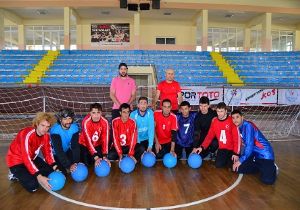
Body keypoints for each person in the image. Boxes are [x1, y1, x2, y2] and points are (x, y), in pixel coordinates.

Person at [6, 112, 57, 192]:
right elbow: (26, 157)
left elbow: (48, 153)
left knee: (50, 172)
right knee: (33, 186)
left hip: (32, 157)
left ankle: (29, 172)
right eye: (42, 125)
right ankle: (14, 173)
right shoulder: (27, 134)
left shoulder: (46, 136)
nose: (45, 129)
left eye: (47, 127)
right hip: (17, 161)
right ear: (37, 124)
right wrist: (38, 176)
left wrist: (55, 167)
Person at [231, 110, 277, 185]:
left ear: (242, 117)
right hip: (254, 154)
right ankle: (261, 167)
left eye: (237, 117)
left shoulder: (248, 126)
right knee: (238, 169)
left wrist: (240, 160)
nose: (235, 120)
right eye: (233, 118)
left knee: (267, 180)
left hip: (264, 154)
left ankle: (272, 167)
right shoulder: (238, 127)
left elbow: (249, 145)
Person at [193, 102, 240, 168]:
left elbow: (237, 139)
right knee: (218, 165)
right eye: (218, 111)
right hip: (222, 149)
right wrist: (202, 147)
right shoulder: (214, 121)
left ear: (226, 111)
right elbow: (209, 136)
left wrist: (236, 153)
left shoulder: (231, 120)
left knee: (232, 167)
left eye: (221, 111)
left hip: (232, 149)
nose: (219, 113)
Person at [79, 103, 110, 167]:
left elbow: (105, 139)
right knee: (88, 164)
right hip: (84, 144)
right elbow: (88, 141)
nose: (96, 115)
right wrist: (95, 156)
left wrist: (105, 155)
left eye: (98, 112)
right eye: (93, 113)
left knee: (101, 160)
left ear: (101, 113)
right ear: (90, 113)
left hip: (97, 144)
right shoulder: (86, 122)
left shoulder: (105, 122)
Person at [50, 108, 80, 174]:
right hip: (54, 154)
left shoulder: (74, 127)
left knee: (79, 162)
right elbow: (58, 150)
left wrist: (76, 162)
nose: (68, 121)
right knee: (63, 172)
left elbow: (75, 146)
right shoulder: (55, 131)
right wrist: (69, 166)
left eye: (69, 118)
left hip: (66, 151)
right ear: (60, 120)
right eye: (65, 119)